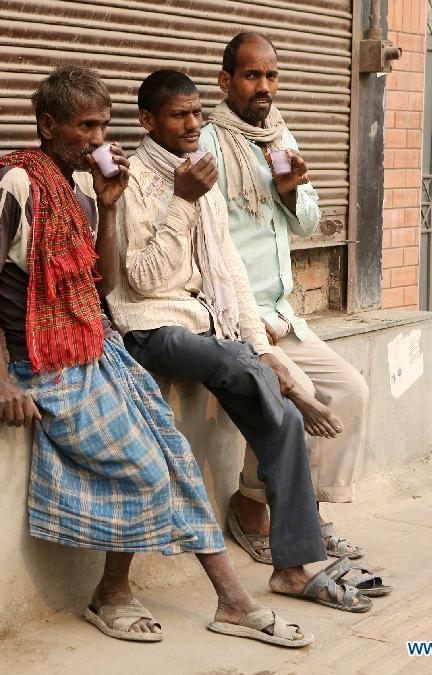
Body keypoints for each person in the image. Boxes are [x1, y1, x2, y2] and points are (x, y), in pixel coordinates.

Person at [0, 65, 317, 648]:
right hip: (44, 364)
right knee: (145, 467)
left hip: (96, 347)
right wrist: (0, 384)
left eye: (101, 126)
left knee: (175, 456)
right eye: (85, 127)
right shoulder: (12, 183)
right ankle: (112, 593)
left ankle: (233, 604)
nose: (97, 140)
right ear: (47, 125)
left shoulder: (85, 190)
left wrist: (111, 208)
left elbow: (104, 283)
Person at [108, 68, 370, 613]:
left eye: (197, 114)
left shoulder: (199, 180)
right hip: (151, 326)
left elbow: (233, 277)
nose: (192, 124)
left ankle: (293, 566)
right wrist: (180, 202)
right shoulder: (132, 181)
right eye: (179, 115)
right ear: (146, 119)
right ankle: (287, 391)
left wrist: (267, 349)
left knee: (281, 412)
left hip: (206, 324)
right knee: (261, 379)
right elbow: (143, 281)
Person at [199, 33, 371, 564]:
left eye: (272, 76)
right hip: (232, 316)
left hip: (281, 314)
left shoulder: (279, 135)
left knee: (350, 392)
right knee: (290, 402)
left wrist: (293, 189)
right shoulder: (205, 144)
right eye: (252, 75)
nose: (264, 87)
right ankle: (254, 513)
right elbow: (201, 238)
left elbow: (311, 221)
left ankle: (306, 514)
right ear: (225, 81)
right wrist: (249, 323)